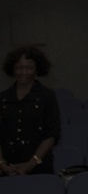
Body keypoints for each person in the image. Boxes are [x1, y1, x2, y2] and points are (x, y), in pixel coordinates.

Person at [0, 46, 60, 175]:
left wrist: (31, 163)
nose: (23, 72)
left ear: (37, 69)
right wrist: (2, 164)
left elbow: (51, 134)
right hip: (7, 168)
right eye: (19, 68)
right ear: (12, 69)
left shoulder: (47, 96)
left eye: (29, 68)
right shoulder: (3, 98)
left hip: (39, 167)